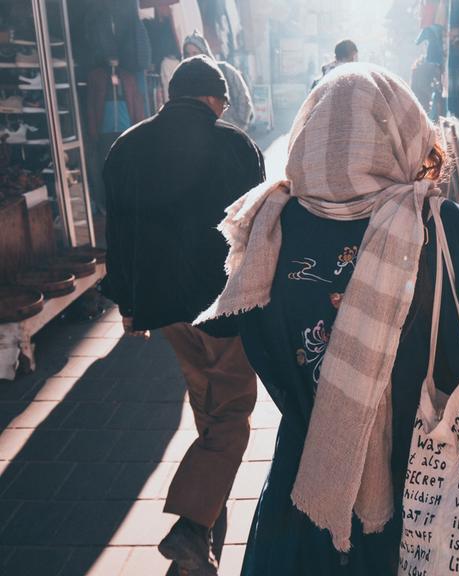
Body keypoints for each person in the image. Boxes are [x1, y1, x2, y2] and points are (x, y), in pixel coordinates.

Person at [195, 64, 459, 575]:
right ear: (404, 135)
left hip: (304, 498)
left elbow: (260, 347)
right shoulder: (449, 235)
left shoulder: (266, 233)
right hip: (426, 505)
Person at [102, 55, 266, 575]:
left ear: (171, 95)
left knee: (208, 409)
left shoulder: (125, 148)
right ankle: (193, 527)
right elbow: (261, 229)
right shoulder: (236, 145)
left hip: (168, 311)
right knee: (233, 417)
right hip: (226, 307)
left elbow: (119, 235)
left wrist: (129, 305)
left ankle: (207, 533)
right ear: (215, 98)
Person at [183, 31, 254, 131]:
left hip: (230, 134)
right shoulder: (183, 81)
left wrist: (240, 126)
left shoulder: (224, 70)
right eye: (188, 54)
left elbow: (243, 97)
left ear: (204, 53)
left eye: (195, 53)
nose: (191, 57)